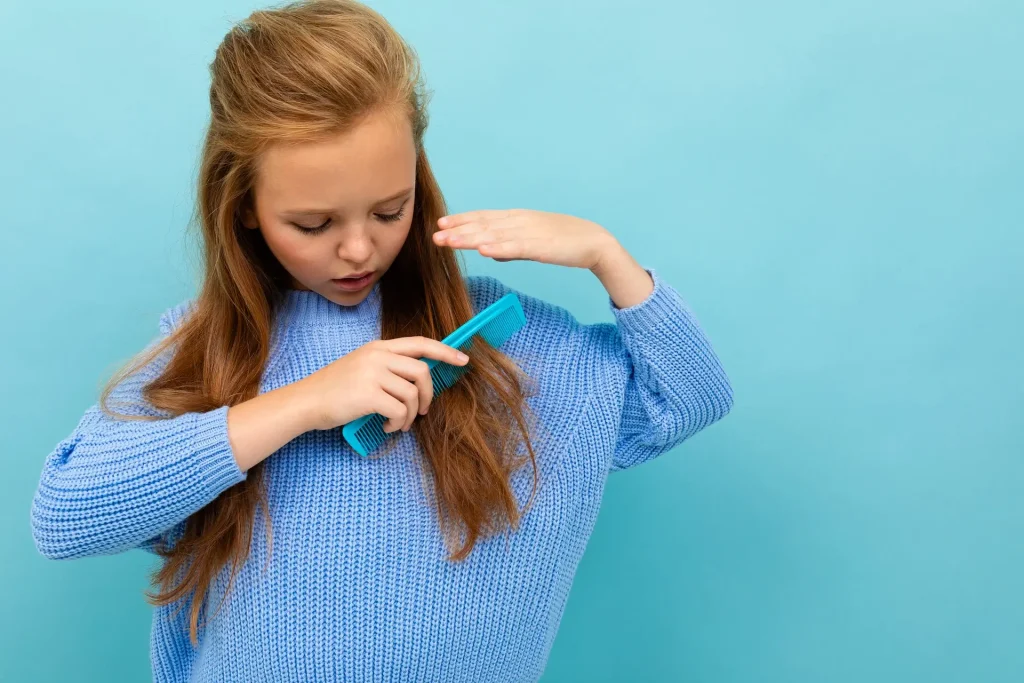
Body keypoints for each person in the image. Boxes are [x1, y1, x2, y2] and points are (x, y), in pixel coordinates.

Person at [29, 1, 734, 681]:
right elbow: (63, 514)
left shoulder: (501, 342)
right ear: (242, 205)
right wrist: (303, 403)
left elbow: (687, 398)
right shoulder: (213, 350)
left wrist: (607, 258)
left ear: (418, 179)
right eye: (313, 224)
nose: (359, 248)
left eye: (390, 209)